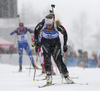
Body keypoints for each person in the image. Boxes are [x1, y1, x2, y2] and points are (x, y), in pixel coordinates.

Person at [34, 14, 74, 84]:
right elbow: (35, 31)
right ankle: (49, 76)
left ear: (53, 22)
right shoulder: (42, 24)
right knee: (47, 59)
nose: (49, 26)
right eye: (47, 25)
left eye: (50, 25)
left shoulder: (57, 25)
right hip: (46, 42)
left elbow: (65, 33)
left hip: (55, 43)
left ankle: (66, 76)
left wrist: (65, 45)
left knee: (59, 60)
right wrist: (36, 41)